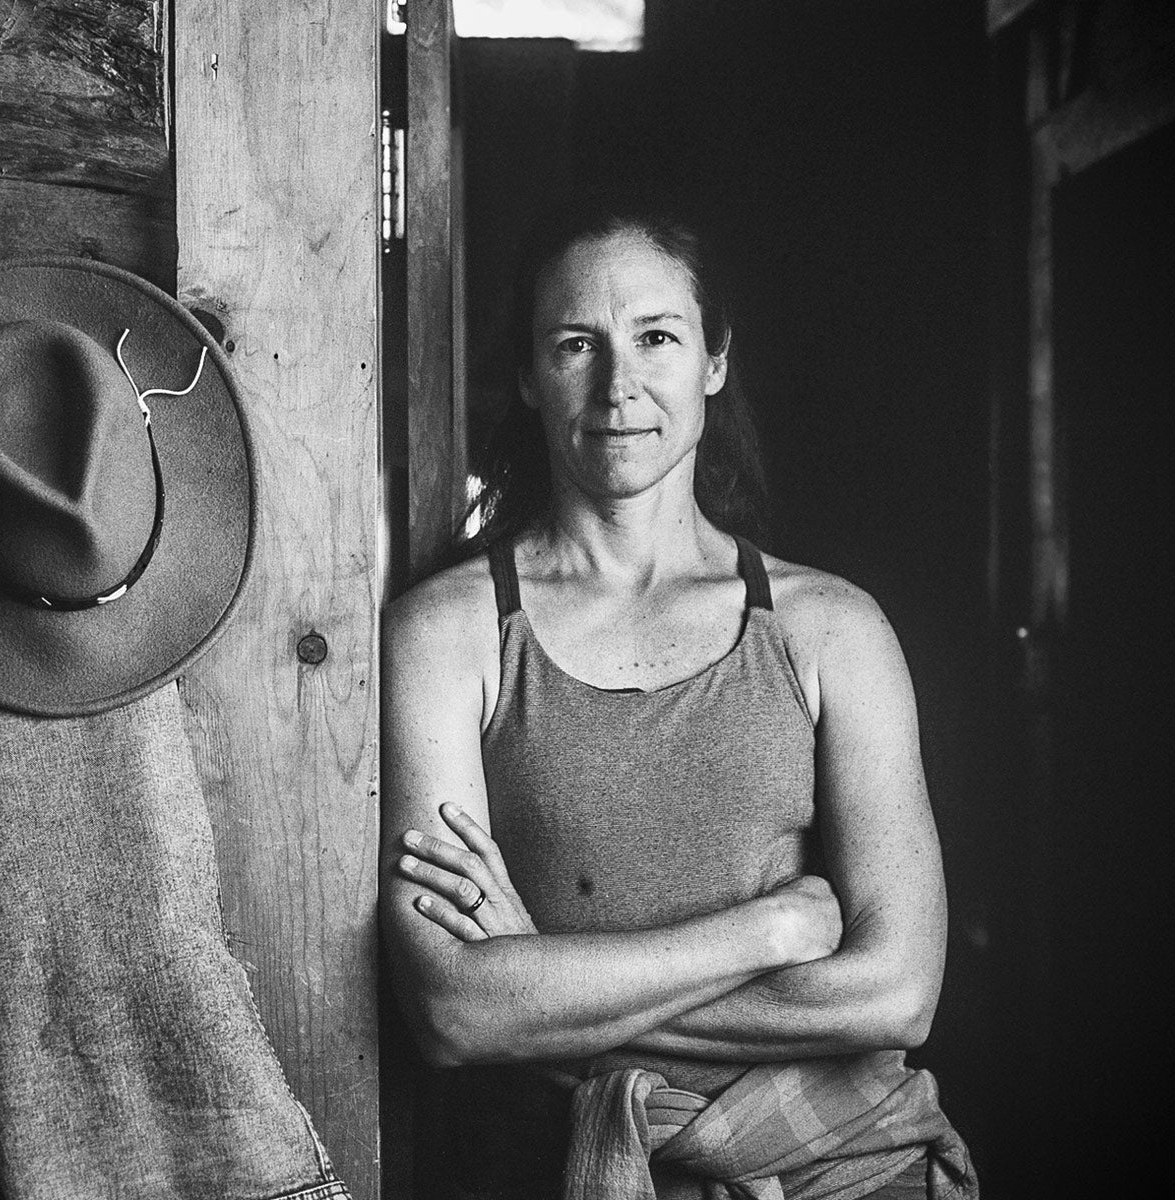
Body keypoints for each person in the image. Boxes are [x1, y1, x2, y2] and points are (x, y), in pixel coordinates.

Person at [380, 204, 976, 1199]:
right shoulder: (448, 634)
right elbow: (453, 1011)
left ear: (714, 362)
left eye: (657, 337)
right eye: (577, 345)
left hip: (846, 1169)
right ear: (528, 375)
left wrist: (537, 972)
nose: (620, 386)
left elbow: (900, 993)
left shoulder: (831, 630)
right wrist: (761, 935)